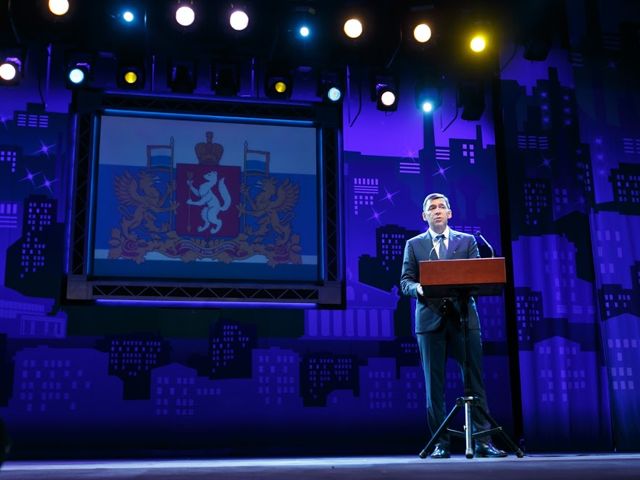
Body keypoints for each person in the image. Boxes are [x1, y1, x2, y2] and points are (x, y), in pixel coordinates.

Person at [400, 193, 507, 459]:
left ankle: (483, 442)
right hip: (430, 321)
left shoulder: (468, 241)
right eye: (431, 208)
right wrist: (419, 288)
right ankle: (441, 443)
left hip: (464, 320)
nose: (437, 211)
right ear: (424, 216)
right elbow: (405, 282)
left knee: (474, 381)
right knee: (433, 386)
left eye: (441, 207)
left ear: (450, 213)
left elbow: (477, 277)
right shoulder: (414, 245)